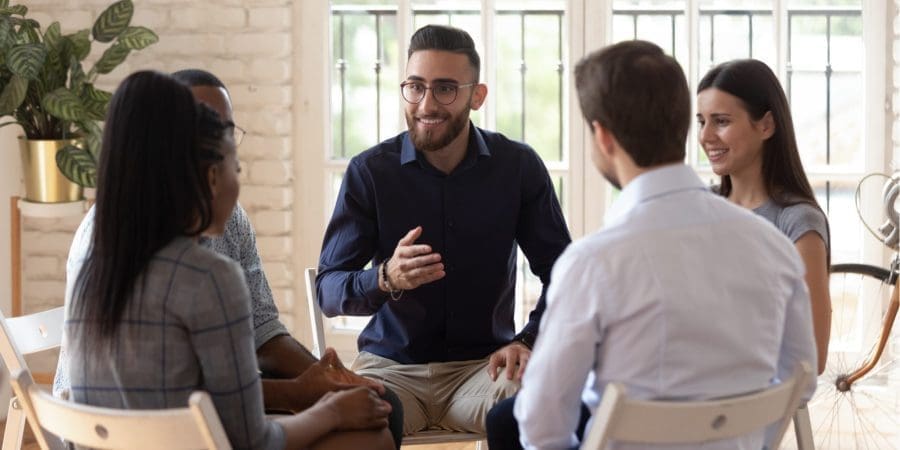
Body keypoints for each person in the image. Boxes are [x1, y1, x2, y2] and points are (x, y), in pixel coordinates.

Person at [53, 69, 405, 448]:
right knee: (373, 438)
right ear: (208, 175)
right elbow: (252, 440)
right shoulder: (208, 277)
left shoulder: (102, 260)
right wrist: (326, 409)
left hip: (106, 440)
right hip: (187, 437)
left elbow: (257, 338)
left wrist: (316, 384)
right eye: (233, 165)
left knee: (375, 413)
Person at [514, 41, 818, 449]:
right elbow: (801, 379)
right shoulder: (774, 249)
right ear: (683, 125)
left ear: (602, 137)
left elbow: (541, 423)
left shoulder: (592, 264)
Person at [316, 24, 571, 434]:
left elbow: (565, 274)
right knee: (356, 419)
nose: (426, 104)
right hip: (391, 370)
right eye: (415, 87)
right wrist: (385, 278)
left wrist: (527, 340)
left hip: (483, 370)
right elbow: (328, 290)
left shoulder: (518, 167)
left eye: (445, 89)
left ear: (477, 95)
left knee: (539, 402)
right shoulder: (370, 172)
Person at [697, 59, 832, 374]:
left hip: (752, 404)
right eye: (701, 121)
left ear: (767, 125)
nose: (706, 136)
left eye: (721, 121)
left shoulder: (798, 223)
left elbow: (813, 358)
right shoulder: (701, 207)